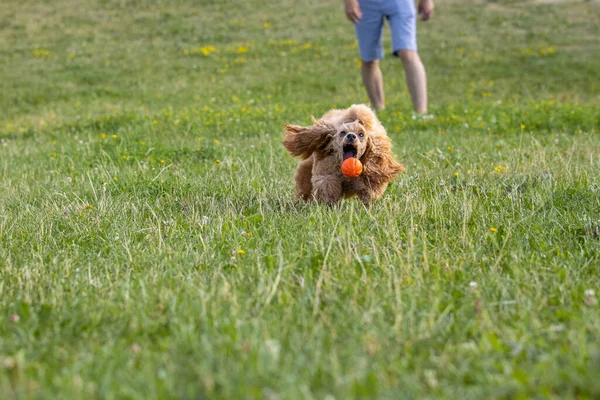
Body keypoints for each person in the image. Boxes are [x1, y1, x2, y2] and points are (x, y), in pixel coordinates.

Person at [344, 0, 434, 113]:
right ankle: (379, 112)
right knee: (369, 59)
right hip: (365, 4)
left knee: (408, 52)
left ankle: (421, 113)